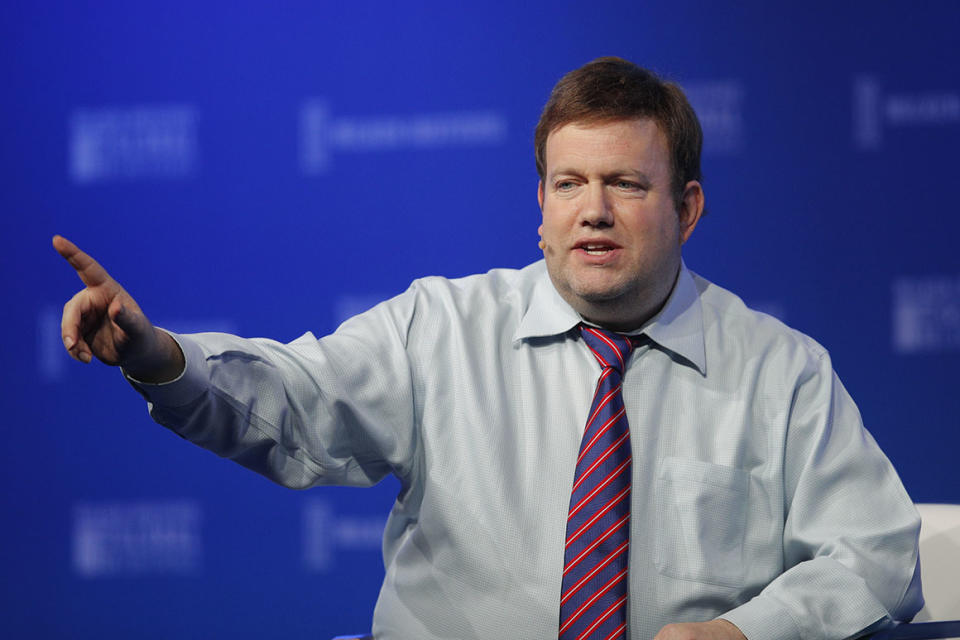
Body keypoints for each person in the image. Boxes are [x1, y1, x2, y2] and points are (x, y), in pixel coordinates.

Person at [55, 57, 923, 640]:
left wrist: (745, 633)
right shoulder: (441, 329)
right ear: (540, 206)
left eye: (625, 183)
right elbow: (292, 402)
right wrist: (159, 354)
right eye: (569, 183)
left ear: (687, 208)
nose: (593, 210)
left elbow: (875, 553)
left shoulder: (780, 369)